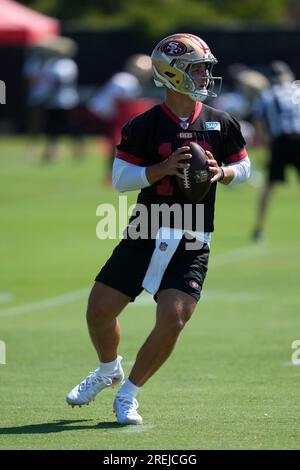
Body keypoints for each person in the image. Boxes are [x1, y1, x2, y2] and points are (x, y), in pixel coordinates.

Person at [66, 33, 251, 425]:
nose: (204, 76)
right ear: (171, 73)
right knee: (99, 311)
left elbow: (246, 168)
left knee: (174, 317)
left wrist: (226, 172)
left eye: (205, 68)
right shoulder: (144, 125)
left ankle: (128, 393)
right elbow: (120, 179)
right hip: (145, 231)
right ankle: (107, 370)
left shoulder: (221, 122)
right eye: (196, 68)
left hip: (192, 235)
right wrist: (161, 170)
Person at [252, 61, 300, 240]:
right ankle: (258, 227)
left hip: (279, 142)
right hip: (297, 140)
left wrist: (263, 146)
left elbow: (259, 123)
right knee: (269, 186)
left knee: (269, 186)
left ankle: (259, 227)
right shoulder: (297, 90)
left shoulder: (265, 95)